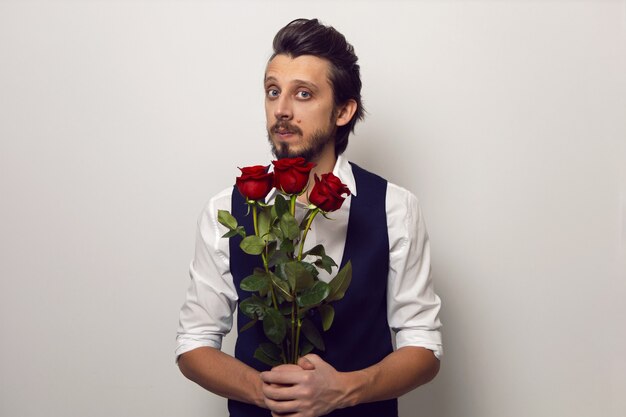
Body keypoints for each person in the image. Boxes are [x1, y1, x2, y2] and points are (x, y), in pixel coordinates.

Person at [176, 18, 442, 417]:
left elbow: (423, 346)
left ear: (343, 110)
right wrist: (264, 391)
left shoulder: (395, 208)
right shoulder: (224, 211)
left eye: (303, 94)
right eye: (272, 91)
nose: (281, 110)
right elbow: (193, 343)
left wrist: (344, 390)